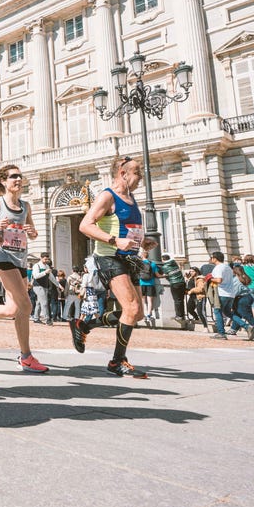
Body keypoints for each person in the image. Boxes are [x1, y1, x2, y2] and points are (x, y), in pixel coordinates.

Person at [72, 156, 154, 378]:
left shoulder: (132, 198)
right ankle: (117, 361)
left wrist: (142, 241)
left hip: (129, 257)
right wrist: (114, 240)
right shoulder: (108, 196)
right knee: (133, 309)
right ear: (122, 173)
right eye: (137, 172)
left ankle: (85, 325)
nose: (140, 177)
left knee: (136, 314)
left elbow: (125, 228)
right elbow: (85, 225)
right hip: (110, 257)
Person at [0, 165, 49, 373]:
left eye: (20, 176)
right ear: (3, 181)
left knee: (12, 309)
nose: (18, 179)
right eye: (13, 176)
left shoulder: (26, 206)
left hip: (20, 259)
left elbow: (34, 234)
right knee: (26, 305)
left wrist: (32, 231)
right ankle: (26, 356)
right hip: (2, 257)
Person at [161, 254, 187, 322]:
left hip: (175, 283)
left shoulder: (164, 267)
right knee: (181, 300)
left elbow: (165, 275)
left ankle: (179, 316)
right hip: (182, 282)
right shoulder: (174, 263)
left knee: (177, 300)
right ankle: (182, 315)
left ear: (163, 259)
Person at [29, 253, 53, 325]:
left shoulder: (47, 266)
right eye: (45, 259)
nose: (46, 260)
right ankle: (47, 320)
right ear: (41, 258)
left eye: (47, 259)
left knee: (39, 303)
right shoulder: (36, 265)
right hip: (38, 286)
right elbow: (36, 276)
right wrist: (45, 272)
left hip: (44, 286)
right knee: (44, 303)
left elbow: (51, 277)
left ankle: (36, 318)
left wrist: (58, 285)